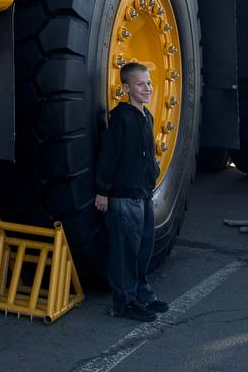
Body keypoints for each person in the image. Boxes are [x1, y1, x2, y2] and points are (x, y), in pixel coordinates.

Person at [94, 62, 169, 322]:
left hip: (143, 195)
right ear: (126, 88)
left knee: (143, 249)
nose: (147, 88)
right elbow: (108, 157)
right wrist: (102, 191)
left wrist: (153, 175)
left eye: (148, 83)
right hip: (123, 198)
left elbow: (147, 155)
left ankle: (141, 294)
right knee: (124, 252)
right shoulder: (122, 118)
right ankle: (122, 303)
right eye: (140, 84)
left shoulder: (145, 116)